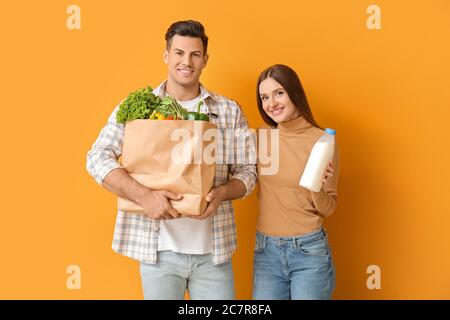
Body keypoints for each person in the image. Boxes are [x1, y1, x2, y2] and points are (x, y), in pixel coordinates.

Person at [86, 20, 256, 300]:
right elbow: (96, 158)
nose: (186, 61)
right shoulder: (138, 106)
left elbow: (249, 171)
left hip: (213, 254)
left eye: (195, 54)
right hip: (157, 253)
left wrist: (223, 193)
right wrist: (145, 197)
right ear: (166, 55)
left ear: (205, 60)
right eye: (178, 53)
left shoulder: (228, 110)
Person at [253, 64, 339, 300]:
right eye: (265, 97)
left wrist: (316, 187)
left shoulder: (322, 141)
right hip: (266, 251)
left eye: (279, 93)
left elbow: (329, 207)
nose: (272, 103)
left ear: (295, 92)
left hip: (308, 251)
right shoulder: (260, 138)